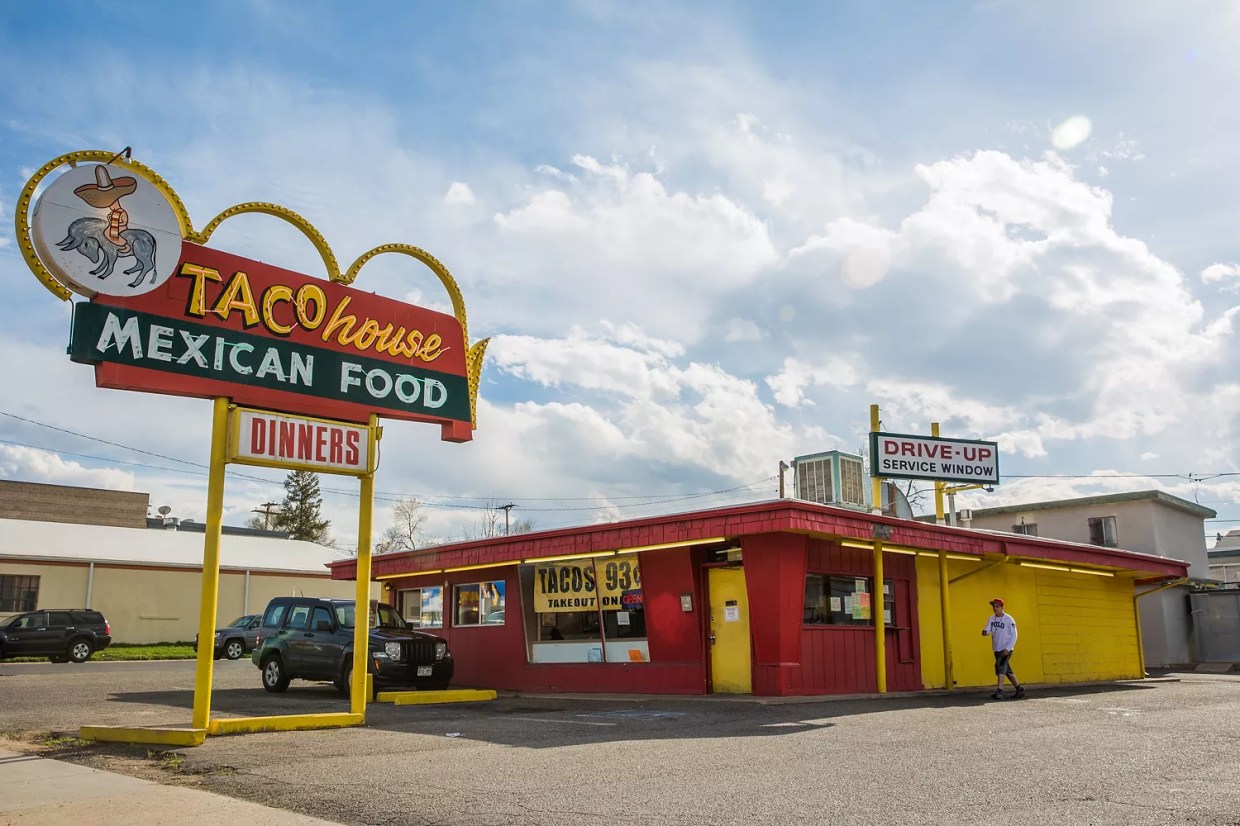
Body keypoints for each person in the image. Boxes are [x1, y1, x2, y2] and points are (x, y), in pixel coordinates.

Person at [981, 598, 1025, 700]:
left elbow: (1014, 635)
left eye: (997, 606)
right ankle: (1019, 689)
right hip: (996, 648)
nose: (995, 608)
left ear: (1002, 607)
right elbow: (988, 629)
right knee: (1007, 671)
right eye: (994, 606)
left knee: (1000, 666)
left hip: (1006, 649)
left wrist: (1008, 648)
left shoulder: (1009, 619)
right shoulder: (991, 618)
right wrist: (985, 632)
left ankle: (999, 691)